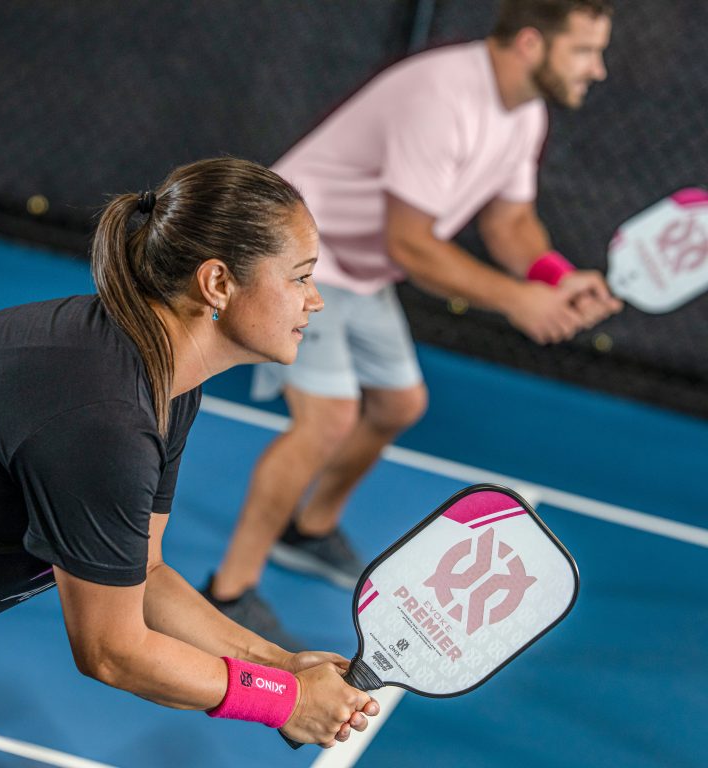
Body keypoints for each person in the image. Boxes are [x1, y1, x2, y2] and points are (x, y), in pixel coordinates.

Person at [203, 0, 623, 639]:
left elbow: (509, 222)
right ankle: (229, 592)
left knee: (399, 404)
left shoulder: (523, 112)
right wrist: (516, 301)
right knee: (328, 420)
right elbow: (412, 245)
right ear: (533, 43)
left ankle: (308, 529)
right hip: (294, 250)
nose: (598, 69)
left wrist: (555, 279)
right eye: (585, 51)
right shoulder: (442, 95)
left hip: (359, 267)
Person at [0, 158, 381, 764]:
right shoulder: (105, 417)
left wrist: (281, 663)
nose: (316, 301)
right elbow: (111, 650)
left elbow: (143, 576)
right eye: (300, 278)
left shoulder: (159, 374)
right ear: (218, 284)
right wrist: (285, 702)